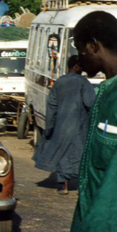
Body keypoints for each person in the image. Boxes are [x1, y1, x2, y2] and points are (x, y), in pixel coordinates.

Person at [62, 11, 117, 232]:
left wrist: (102, 230)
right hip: (92, 222)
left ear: (94, 46)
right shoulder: (105, 90)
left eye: (80, 50)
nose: (79, 60)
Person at [34, 55, 95, 195]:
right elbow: (90, 103)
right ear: (76, 66)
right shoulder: (84, 83)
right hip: (80, 126)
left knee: (62, 154)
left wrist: (49, 128)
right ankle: (81, 185)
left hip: (61, 126)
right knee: (80, 154)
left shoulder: (59, 83)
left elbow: (51, 107)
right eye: (81, 67)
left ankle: (63, 186)